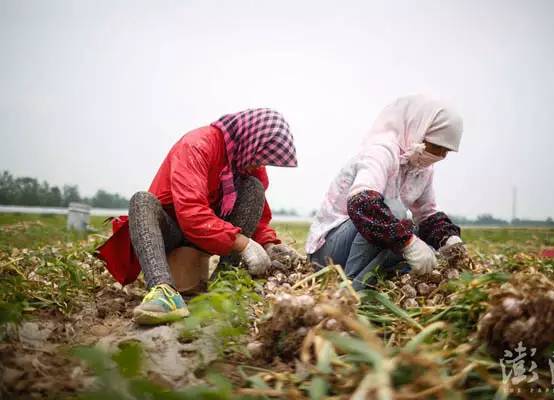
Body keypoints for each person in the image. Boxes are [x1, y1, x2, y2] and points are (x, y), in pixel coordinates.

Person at [97, 108, 300, 325]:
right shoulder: (197, 146)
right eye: (260, 159)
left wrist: (269, 244)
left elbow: (257, 215)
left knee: (254, 188)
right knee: (141, 201)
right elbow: (191, 214)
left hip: (212, 231)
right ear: (251, 140)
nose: (259, 166)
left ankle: (225, 283)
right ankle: (163, 292)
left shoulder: (246, 159)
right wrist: (243, 243)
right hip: (173, 229)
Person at [306, 95, 465, 290]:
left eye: (446, 151)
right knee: (396, 214)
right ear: (420, 131)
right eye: (436, 147)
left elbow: (426, 214)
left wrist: (448, 239)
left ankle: (373, 278)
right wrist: (407, 242)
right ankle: (354, 290)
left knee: (424, 244)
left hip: (362, 243)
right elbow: (361, 204)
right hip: (328, 251)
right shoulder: (381, 152)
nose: (440, 156)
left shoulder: (421, 168)